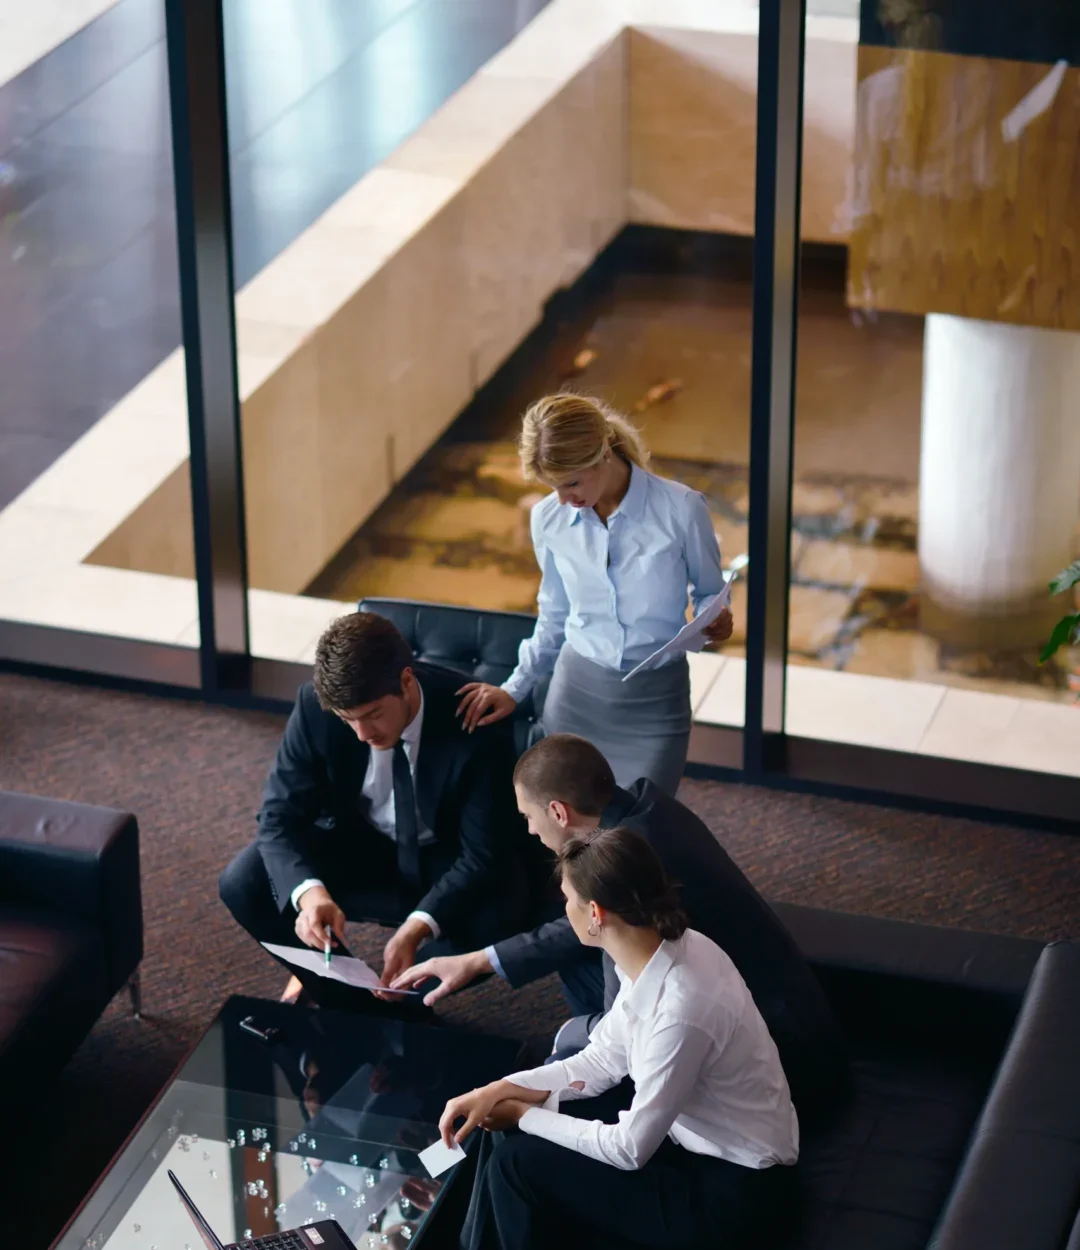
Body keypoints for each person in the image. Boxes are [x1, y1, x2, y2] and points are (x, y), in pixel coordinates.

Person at [393, 733, 848, 1122]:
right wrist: (479, 961)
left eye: (528, 817)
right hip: (790, 1010)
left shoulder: (628, 871)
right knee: (572, 966)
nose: (530, 831)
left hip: (780, 1061)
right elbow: (572, 934)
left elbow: (619, 1026)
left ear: (558, 812)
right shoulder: (643, 807)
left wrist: (569, 1042)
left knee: (579, 1047)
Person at [440, 827, 799, 1250]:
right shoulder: (664, 950)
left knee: (516, 1162)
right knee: (513, 1121)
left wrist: (523, 1114)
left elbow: (629, 1149)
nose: (563, 908)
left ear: (595, 912)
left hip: (731, 1194)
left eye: (567, 899)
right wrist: (500, 1090)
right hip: (694, 1141)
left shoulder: (680, 1012)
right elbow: (601, 1062)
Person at [219, 611, 530, 1005]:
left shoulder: (474, 714)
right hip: (361, 841)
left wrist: (416, 927)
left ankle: (402, 998)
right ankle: (343, 991)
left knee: (505, 908)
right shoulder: (317, 707)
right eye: (349, 721)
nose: (363, 734)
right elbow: (277, 818)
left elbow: (483, 854)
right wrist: (310, 895)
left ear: (405, 680)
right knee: (242, 881)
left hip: (448, 855)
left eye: (372, 715)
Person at [455, 393, 733, 796]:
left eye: (571, 482)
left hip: (655, 703)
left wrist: (715, 618)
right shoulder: (549, 518)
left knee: (640, 829)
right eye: (553, 487)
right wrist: (515, 687)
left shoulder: (682, 508)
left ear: (603, 451)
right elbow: (553, 615)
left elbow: (710, 591)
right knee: (568, 830)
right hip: (576, 695)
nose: (566, 500)